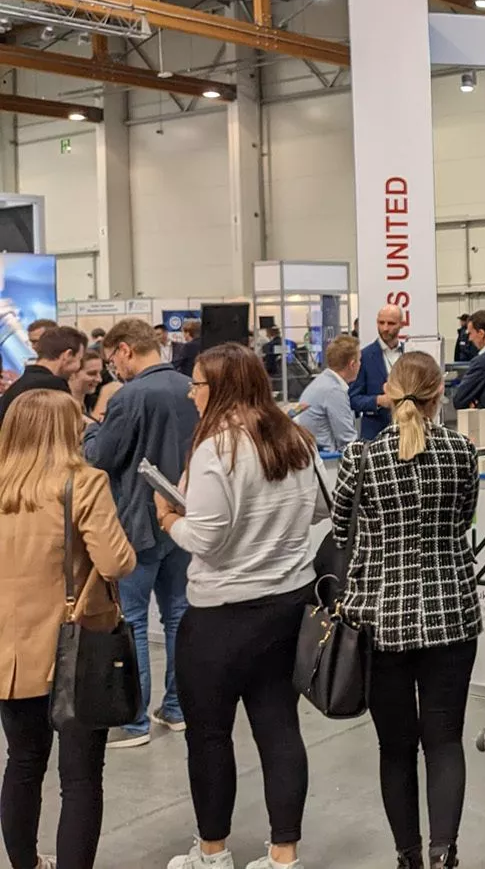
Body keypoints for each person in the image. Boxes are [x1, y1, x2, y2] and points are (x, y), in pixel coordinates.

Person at [153, 344, 325, 869]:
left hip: (221, 616)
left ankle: (212, 853)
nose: (191, 394)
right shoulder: (296, 439)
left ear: (220, 388)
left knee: (209, 736)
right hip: (288, 606)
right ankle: (283, 855)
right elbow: (323, 507)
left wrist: (169, 518)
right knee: (280, 729)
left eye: (198, 384)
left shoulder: (216, 450)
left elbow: (205, 539)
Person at [333, 352, 480, 869]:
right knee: (445, 742)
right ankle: (444, 853)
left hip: (379, 621)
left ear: (390, 395)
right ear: (440, 395)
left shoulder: (361, 458)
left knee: (394, 748)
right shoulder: (462, 451)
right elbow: (464, 519)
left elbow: (340, 531)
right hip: (452, 615)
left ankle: (408, 856)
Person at [0, 390, 136, 869]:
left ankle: (25, 863)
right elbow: (116, 562)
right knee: (80, 778)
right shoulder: (84, 484)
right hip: (75, 650)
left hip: (10, 654)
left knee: (22, 762)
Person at [84, 318, 198, 749]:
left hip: (135, 522)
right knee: (178, 614)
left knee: (131, 620)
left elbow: (100, 457)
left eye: (112, 360)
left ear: (125, 350)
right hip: (181, 517)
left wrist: (92, 426)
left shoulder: (129, 397)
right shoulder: (190, 387)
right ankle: (177, 707)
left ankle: (134, 721)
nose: (113, 369)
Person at [0, 324, 86, 425]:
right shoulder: (54, 386)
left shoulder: (18, 385)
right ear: (68, 355)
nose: (79, 367)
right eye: (79, 359)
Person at [295, 334, 360, 452]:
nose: (360, 364)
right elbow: (348, 440)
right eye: (359, 360)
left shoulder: (322, 381)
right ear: (352, 364)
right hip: (327, 458)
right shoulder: (334, 391)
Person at [350, 305, 405, 440]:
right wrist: (378, 401)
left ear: (401, 324)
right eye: (381, 323)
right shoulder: (364, 356)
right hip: (375, 434)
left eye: (391, 323)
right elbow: (353, 399)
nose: (385, 328)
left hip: (407, 431)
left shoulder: (409, 353)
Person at [71, 350, 105, 418]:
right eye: (92, 373)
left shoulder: (93, 403)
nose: (99, 379)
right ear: (72, 373)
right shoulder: (60, 407)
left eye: (100, 373)